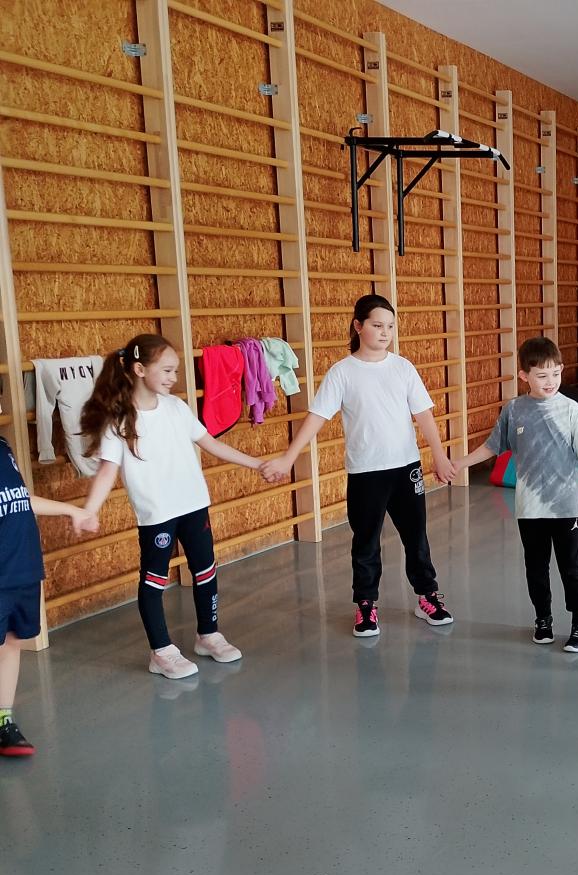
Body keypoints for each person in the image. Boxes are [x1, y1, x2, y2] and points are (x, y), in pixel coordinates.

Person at [261, 295, 456, 637]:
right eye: (377, 325)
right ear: (358, 326)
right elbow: (317, 417)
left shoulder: (403, 368)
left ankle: (427, 596)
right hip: (366, 473)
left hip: (406, 468)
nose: (385, 333)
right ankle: (366, 604)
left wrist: (439, 455)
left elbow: (423, 414)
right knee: (366, 541)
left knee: (416, 537)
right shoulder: (342, 372)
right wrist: (288, 457)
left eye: (390, 326)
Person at [80, 334, 263, 680]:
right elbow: (106, 470)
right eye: (166, 370)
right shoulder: (119, 421)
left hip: (194, 505)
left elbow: (211, 444)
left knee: (205, 569)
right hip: (157, 515)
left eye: (175, 371)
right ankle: (161, 651)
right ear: (139, 369)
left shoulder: (177, 408)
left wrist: (257, 464)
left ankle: (208, 634)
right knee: (154, 581)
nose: (173, 377)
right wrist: (90, 509)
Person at [454, 337, 578, 651]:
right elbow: (492, 446)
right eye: (542, 375)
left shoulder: (570, 410)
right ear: (524, 375)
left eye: (555, 373)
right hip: (530, 508)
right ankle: (543, 619)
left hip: (566, 507)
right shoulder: (515, 410)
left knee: (572, 566)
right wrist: (461, 463)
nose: (550, 381)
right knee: (536, 566)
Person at [0, 404, 97, 755]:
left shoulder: (2, 448)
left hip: (21, 568)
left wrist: (72, 510)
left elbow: (20, 499)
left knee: (11, 642)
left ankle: (3, 721)